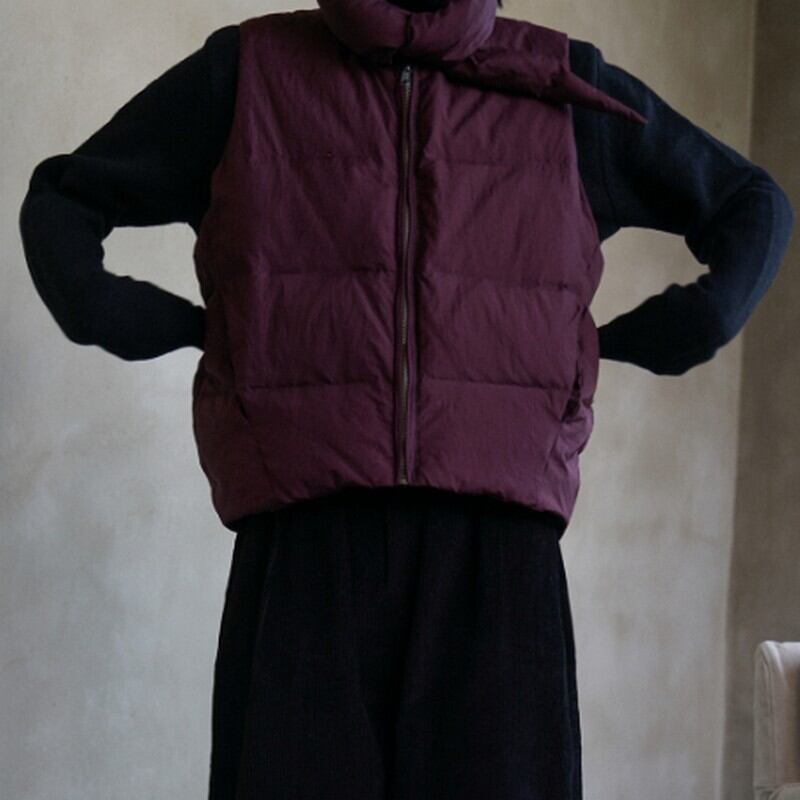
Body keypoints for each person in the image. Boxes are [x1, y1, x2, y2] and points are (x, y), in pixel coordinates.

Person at [18, 0, 794, 798]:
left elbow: (751, 203)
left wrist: (700, 318)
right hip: (305, 555)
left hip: (495, 567)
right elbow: (64, 199)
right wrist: (113, 311)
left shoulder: (561, 85)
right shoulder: (248, 76)